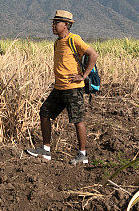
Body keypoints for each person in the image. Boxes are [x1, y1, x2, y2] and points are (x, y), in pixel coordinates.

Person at [25, 10, 98, 165]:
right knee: (44, 112)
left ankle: (82, 154)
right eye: (53, 22)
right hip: (59, 88)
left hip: (73, 88)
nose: (53, 25)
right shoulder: (57, 42)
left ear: (66, 25)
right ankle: (46, 149)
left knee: (78, 120)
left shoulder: (74, 39)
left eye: (56, 23)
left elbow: (93, 55)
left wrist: (83, 76)